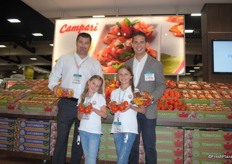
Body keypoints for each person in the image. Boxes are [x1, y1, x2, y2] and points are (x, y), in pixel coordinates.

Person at [48, 32, 103, 164]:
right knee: (61, 138)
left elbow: (101, 86)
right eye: (81, 42)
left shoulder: (95, 64)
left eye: (86, 43)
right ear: (76, 43)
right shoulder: (64, 59)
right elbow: (52, 79)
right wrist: (55, 87)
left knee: (79, 139)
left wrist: (99, 104)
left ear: (90, 45)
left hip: (85, 105)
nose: (83, 45)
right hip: (66, 103)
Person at [126, 31, 166, 164]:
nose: (139, 45)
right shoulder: (127, 64)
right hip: (131, 111)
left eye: (141, 42)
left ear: (147, 44)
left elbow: (161, 86)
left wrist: (150, 99)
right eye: (136, 42)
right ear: (132, 45)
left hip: (149, 111)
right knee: (132, 147)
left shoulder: (155, 64)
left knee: (149, 147)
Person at [110, 64, 146, 164]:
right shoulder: (114, 92)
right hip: (117, 128)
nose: (123, 77)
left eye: (126, 74)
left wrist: (131, 107)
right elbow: (112, 111)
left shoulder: (136, 92)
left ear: (131, 76)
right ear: (117, 76)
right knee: (122, 157)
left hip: (129, 129)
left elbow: (143, 110)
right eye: (120, 74)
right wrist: (112, 110)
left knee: (121, 159)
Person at [77, 75, 107, 164]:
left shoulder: (100, 97)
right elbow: (79, 117)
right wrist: (82, 112)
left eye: (97, 86)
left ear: (99, 88)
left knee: (92, 159)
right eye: (93, 83)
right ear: (88, 82)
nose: (94, 87)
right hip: (83, 130)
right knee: (87, 157)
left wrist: (93, 109)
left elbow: (104, 115)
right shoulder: (82, 97)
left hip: (94, 132)